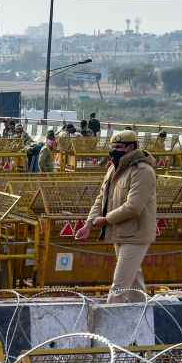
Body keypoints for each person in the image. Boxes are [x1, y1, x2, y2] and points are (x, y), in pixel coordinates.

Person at [75, 130, 157, 304]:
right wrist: (88, 224)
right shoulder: (114, 168)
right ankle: (141, 315)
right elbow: (101, 198)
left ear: (131, 148)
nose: (114, 150)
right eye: (112, 147)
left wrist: (105, 220)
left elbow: (133, 207)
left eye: (119, 147)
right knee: (133, 282)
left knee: (119, 286)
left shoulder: (143, 171)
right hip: (120, 232)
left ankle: (108, 323)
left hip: (136, 235)